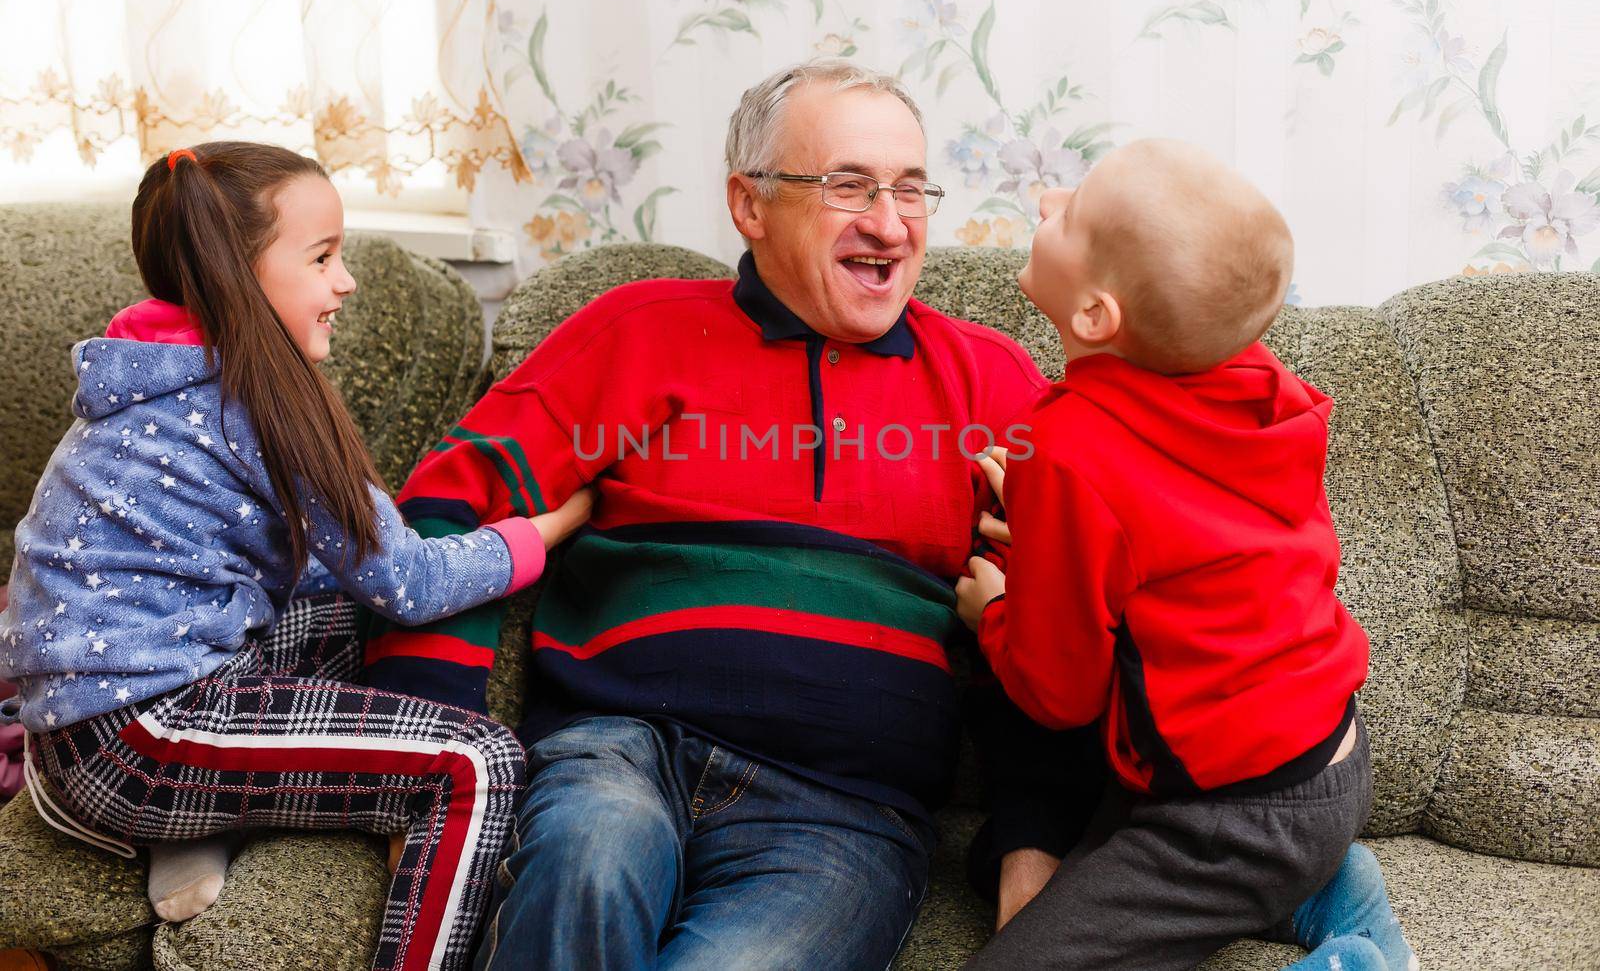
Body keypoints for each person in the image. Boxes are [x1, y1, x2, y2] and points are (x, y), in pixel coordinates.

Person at [361, 60, 1075, 970]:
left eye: (909, 189)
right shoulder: (634, 330)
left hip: (845, 807)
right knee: (588, 863)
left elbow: (1056, 626)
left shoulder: (992, 379)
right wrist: (425, 772)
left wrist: (1031, 848)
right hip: (619, 748)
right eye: (849, 186)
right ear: (749, 203)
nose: (890, 224)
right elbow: (447, 518)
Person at [0, 142, 591, 971]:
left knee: (336, 607)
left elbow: (321, 571)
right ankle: (175, 814)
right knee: (478, 761)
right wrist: (547, 527)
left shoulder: (150, 371)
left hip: (87, 719)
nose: (345, 281)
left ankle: (199, 820)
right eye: (322, 257)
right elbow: (412, 583)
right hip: (135, 739)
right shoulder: (262, 404)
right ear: (234, 274)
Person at [955, 138, 1416, 970]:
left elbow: (1058, 692)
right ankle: (1322, 884)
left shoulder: (1065, 448)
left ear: (1095, 314)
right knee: (1027, 869)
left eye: (1073, 209)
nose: (1048, 198)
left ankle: (1334, 932)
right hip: (1331, 761)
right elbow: (1175, 542)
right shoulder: (1251, 379)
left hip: (1232, 816)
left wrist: (994, 608)